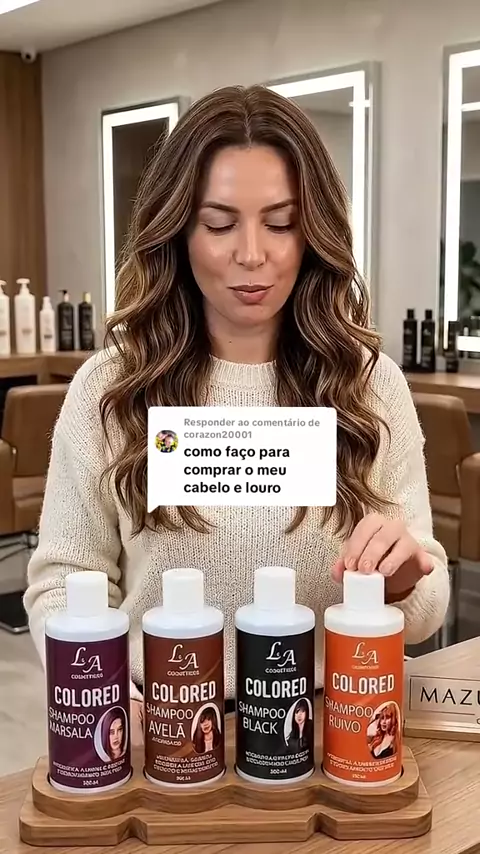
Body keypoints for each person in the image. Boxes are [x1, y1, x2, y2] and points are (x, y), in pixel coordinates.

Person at [24, 85, 449, 747]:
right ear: (177, 230)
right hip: (160, 737)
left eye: (280, 223)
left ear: (314, 232)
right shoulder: (111, 390)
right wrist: (106, 697)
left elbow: (425, 604)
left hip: (327, 733)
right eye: (219, 224)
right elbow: (63, 583)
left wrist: (401, 579)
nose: (252, 254)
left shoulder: (368, 387)